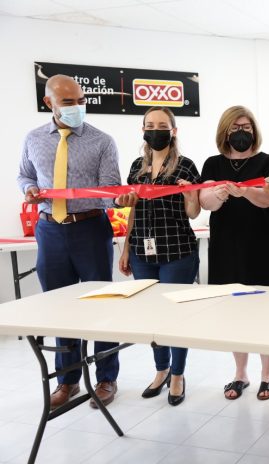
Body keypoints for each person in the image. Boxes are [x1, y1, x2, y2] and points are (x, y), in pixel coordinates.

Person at [17, 74, 136, 410]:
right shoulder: (33, 139)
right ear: (49, 103)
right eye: (68, 102)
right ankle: (67, 381)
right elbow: (24, 174)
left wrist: (119, 200)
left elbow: (109, 189)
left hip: (90, 229)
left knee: (101, 304)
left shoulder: (102, 141)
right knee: (60, 308)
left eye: (81, 100)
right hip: (49, 231)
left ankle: (106, 378)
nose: (77, 107)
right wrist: (28, 188)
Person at [199, 106, 269, 401]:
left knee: (266, 311)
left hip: (263, 246)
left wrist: (244, 191)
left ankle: (268, 374)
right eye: (235, 128)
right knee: (234, 312)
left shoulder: (268, 161)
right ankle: (240, 374)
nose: (241, 132)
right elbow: (206, 202)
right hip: (226, 247)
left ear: (254, 131)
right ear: (225, 132)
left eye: (246, 127)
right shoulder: (213, 164)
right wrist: (219, 194)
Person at [118, 107, 201, 407]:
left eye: (162, 125)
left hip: (177, 251)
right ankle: (161, 370)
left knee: (175, 317)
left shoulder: (186, 166)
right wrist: (126, 248)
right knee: (152, 315)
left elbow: (193, 212)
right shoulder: (136, 167)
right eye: (150, 125)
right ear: (143, 130)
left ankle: (177, 375)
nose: (155, 130)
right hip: (143, 252)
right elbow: (133, 211)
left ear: (173, 131)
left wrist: (190, 196)